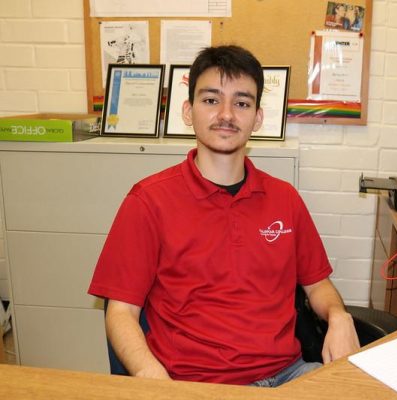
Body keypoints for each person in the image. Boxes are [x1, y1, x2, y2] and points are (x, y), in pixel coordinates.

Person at [88, 45, 360, 387]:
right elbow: (121, 312)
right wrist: (150, 375)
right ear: (188, 111)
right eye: (211, 100)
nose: (227, 114)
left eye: (242, 103)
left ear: (258, 118)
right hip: (196, 384)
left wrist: (338, 316)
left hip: (290, 376)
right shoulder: (147, 201)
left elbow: (318, 285)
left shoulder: (284, 199)